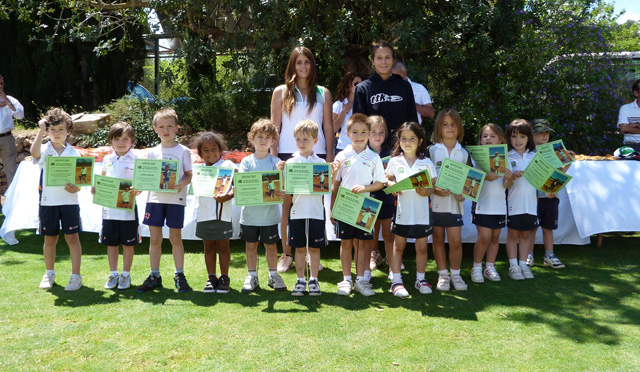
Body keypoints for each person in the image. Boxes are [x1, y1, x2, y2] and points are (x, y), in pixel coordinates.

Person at [270, 47, 334, 273]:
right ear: (292, 65)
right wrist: (274, 158)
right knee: (288, 206)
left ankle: (310, 253)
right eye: (299, 62)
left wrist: (329, 159)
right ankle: (287, 253)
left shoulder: (323, 92)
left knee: (316, 204)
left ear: (312, 64)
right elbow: (274, 127)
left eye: (307, 62)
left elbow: (328, 126)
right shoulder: (280, 92)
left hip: (317, 157)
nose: (303, 66)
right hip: (288, 156)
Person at [136, 108, 193, 293]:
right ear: (155, 129)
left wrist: (181, 183)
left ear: (177, 128)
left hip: (176, 200)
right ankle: (154, 275)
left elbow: (188, 175)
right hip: (155, 200)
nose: (165, 130)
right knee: (155, 239)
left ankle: (180, 275)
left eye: (169, 126)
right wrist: (139, 186)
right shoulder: (152, 152)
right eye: (161, 126)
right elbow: (148, 177)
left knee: (175, 238)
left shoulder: (183, 151)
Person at [331, 113, 386, 296]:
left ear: (369, 133)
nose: (359, 136)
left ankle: (361, 280)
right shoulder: (342, 155)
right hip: (345, 208)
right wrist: (332, 209)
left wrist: (365, 188)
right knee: (346, 244)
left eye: (363, 132)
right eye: (355, 132)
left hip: (365, 209)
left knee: (363, 245)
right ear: (347, 133)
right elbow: (335, 184)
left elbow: (380, 183)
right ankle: (346, 279)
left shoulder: (374, 157)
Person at [279, 120, 335, 296]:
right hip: (297, 213)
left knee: (314, 248)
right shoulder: (290, 163)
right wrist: (280, 172)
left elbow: (327, 187)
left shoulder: (321, 163)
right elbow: (284, 189)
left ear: (315, 140)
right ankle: (300, 280)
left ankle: (314, 281)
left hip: (316, 212)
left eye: (306, 139)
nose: (302, 143)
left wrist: (333, 171)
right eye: (298, 139)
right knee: (300, 248)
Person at [30, 108, 83, 291]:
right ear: (47, 131)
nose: (57, 133)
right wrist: (40, 130)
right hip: (48, 203)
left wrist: (76, 187)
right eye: (52, 129)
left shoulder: (75, 154)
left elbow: (81, 181)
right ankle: (49, 273)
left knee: (72, 238)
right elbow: (34, 153)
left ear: (69, 131)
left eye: (61, 129)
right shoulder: (44, 150)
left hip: (69, 202)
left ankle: (76, 276)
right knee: (50, 239)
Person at [385, 122, 437, 297]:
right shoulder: (394, 161)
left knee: (422, 248)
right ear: (399, 141)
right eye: (404, 138)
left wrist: (426, 191)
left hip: (421, 214)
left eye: (412, 138)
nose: (408, 142)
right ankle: (396, 281)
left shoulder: (426, 162)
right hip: (402, 214)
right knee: (398, 246)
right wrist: (393, 186)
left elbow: (433, 188)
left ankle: (420, 279)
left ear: (420, 140)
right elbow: (386, 179)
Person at [239, 119, 287, 293]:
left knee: (271, 246)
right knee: (251, 246)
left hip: (270, 215)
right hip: (250, 215)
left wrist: (282, 188)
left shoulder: (277, 162)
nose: (263, 140)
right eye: (260, 136)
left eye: (268, 137)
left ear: (273, 141)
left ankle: (273, 275)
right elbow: (244, 186)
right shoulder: (246, 163)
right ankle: (252, 276)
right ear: (252, 138)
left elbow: (282, 187)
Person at [93, 122, 140, 290]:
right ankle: (113, 274)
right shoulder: (107, 158)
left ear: (132, 141)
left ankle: (125, 275)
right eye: (117, 139)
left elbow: (140, 183)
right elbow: (103, 179)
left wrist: (138, 189)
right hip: (109, 211)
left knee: (128, 244)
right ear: (111, 141)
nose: (121, 143)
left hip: (128, 210)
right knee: (111, 244)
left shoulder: (136, 160)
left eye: (125, 139)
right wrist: (96, 189)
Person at [427, 108, 471, 291]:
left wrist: (465, 191)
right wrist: (435, 189)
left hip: (455, 206)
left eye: (453, 124)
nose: (449, 128)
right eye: (445, 124)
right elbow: (425, 176)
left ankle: (456, 275)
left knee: (455, 241)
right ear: (439, 127)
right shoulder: (431, 150)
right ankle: (443, 275)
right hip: (435, 204)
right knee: (438, 239)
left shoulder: (464, 153)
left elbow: (470, 180)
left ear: (459, 127)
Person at [526, 119, 573, 269]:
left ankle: (549, 254)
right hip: (534, 197)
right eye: (540, 133)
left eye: (546, 132)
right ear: (531, 135)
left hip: (551, 197)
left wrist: (568, 163)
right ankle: (528, 254)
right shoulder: (527, 153)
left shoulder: (555, 152)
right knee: (531, 228)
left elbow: (559, 174)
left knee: (548, 227)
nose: (544, 136)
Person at [470, 124, 514, 283]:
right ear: (480, 140)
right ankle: (476, 267)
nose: (488, 139)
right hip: (482, 205)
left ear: (501, 139)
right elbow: (471, 181)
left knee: (495, 237)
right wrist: (484, 176)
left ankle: (489, 267)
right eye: (485, 136)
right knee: (484, 236)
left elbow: (506, 186)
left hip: (499, 205)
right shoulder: (476, 158)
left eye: (492, 136)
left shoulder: (506, 158)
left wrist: (509, 178)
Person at [353, 41, 418, 147]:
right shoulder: (363, 88)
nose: (383, 61)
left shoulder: (404, 86)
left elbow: (412, 121)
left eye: (387, 57)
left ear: (393, 60)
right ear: (372, 61)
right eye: (379, 58)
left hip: (401, 147)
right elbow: (359, 125)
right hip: (374, 149)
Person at [194, 131, 235, 294]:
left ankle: (224, 278)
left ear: (220, 150)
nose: (210, 153)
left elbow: (237, 185)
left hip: (222, 214)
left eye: (214, 149)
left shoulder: (228, 166)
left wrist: (228, 195)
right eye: (206, 150)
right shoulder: (199, 170)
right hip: (204, 214)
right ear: (200, 153)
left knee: (223, 247)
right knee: (209, 247)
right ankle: (211, 277)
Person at [505, 119, 537, 281]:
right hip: (513, 203)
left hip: (531, 203)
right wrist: (513, 176)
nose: (518, 140)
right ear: (509, 138)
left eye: (522, 137)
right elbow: (505, 182)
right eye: (514, 136)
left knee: (526, 235)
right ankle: (513, 266)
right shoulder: (506, 156)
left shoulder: (534, 156)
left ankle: (523, 264)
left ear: (528, 139)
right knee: (513, 234)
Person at [366, 115, 395, 272]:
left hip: (387, 198)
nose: (377, 136)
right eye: (373, 132)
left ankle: (391, 259)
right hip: (370, 198)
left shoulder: (391, 154)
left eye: (381, 132)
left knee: (388, 233)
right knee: (372, 232)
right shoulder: (363, 153)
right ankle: (373, 255)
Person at [390, 61, 435, 125]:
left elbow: (431, 113)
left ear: (405, 73)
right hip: (393, 131)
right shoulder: (387, 90)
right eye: (393, 78)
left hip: (413, 131)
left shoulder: (419, 89)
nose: (396, 81)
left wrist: (413, 105)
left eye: (398, 77)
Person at [0, 74, 24, 190]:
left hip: (6, 138)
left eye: (1, 83)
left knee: (11, 171)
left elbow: (20, 115)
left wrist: (7, 102)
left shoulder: (11, 99)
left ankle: (11, 203)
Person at [333, 72, 364, 153]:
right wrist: (344, 111)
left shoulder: (364, 105)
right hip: (343, 148)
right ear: (348, 86)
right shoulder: (338, 105)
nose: (359, 86)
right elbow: (333, 128)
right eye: (356, 84)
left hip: (361, 148)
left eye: (361, 84)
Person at [617, 79, 640, 152]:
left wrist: (634, 125)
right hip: (631, 147)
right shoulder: (625, 109)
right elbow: (624, 128)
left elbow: (627, 128)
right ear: (636, 93)